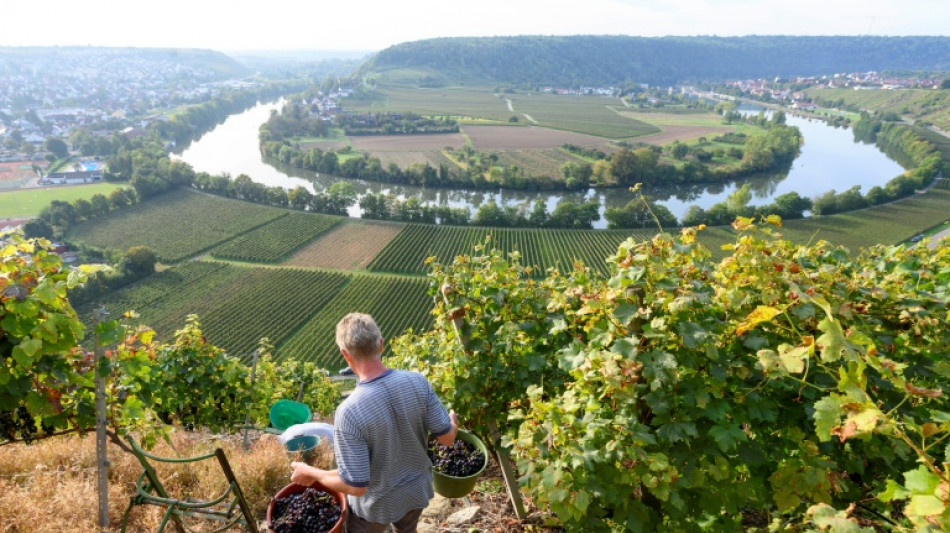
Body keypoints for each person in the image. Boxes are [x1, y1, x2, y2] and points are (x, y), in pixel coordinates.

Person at [291, 313, 459, 533]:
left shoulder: (349, 412)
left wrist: (312, 473)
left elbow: (355, 485)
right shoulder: (418, 381)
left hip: (377, 506)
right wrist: (452, 422)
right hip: (416, 491)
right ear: (381, 344)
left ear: (345, 355)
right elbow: (447, 438)